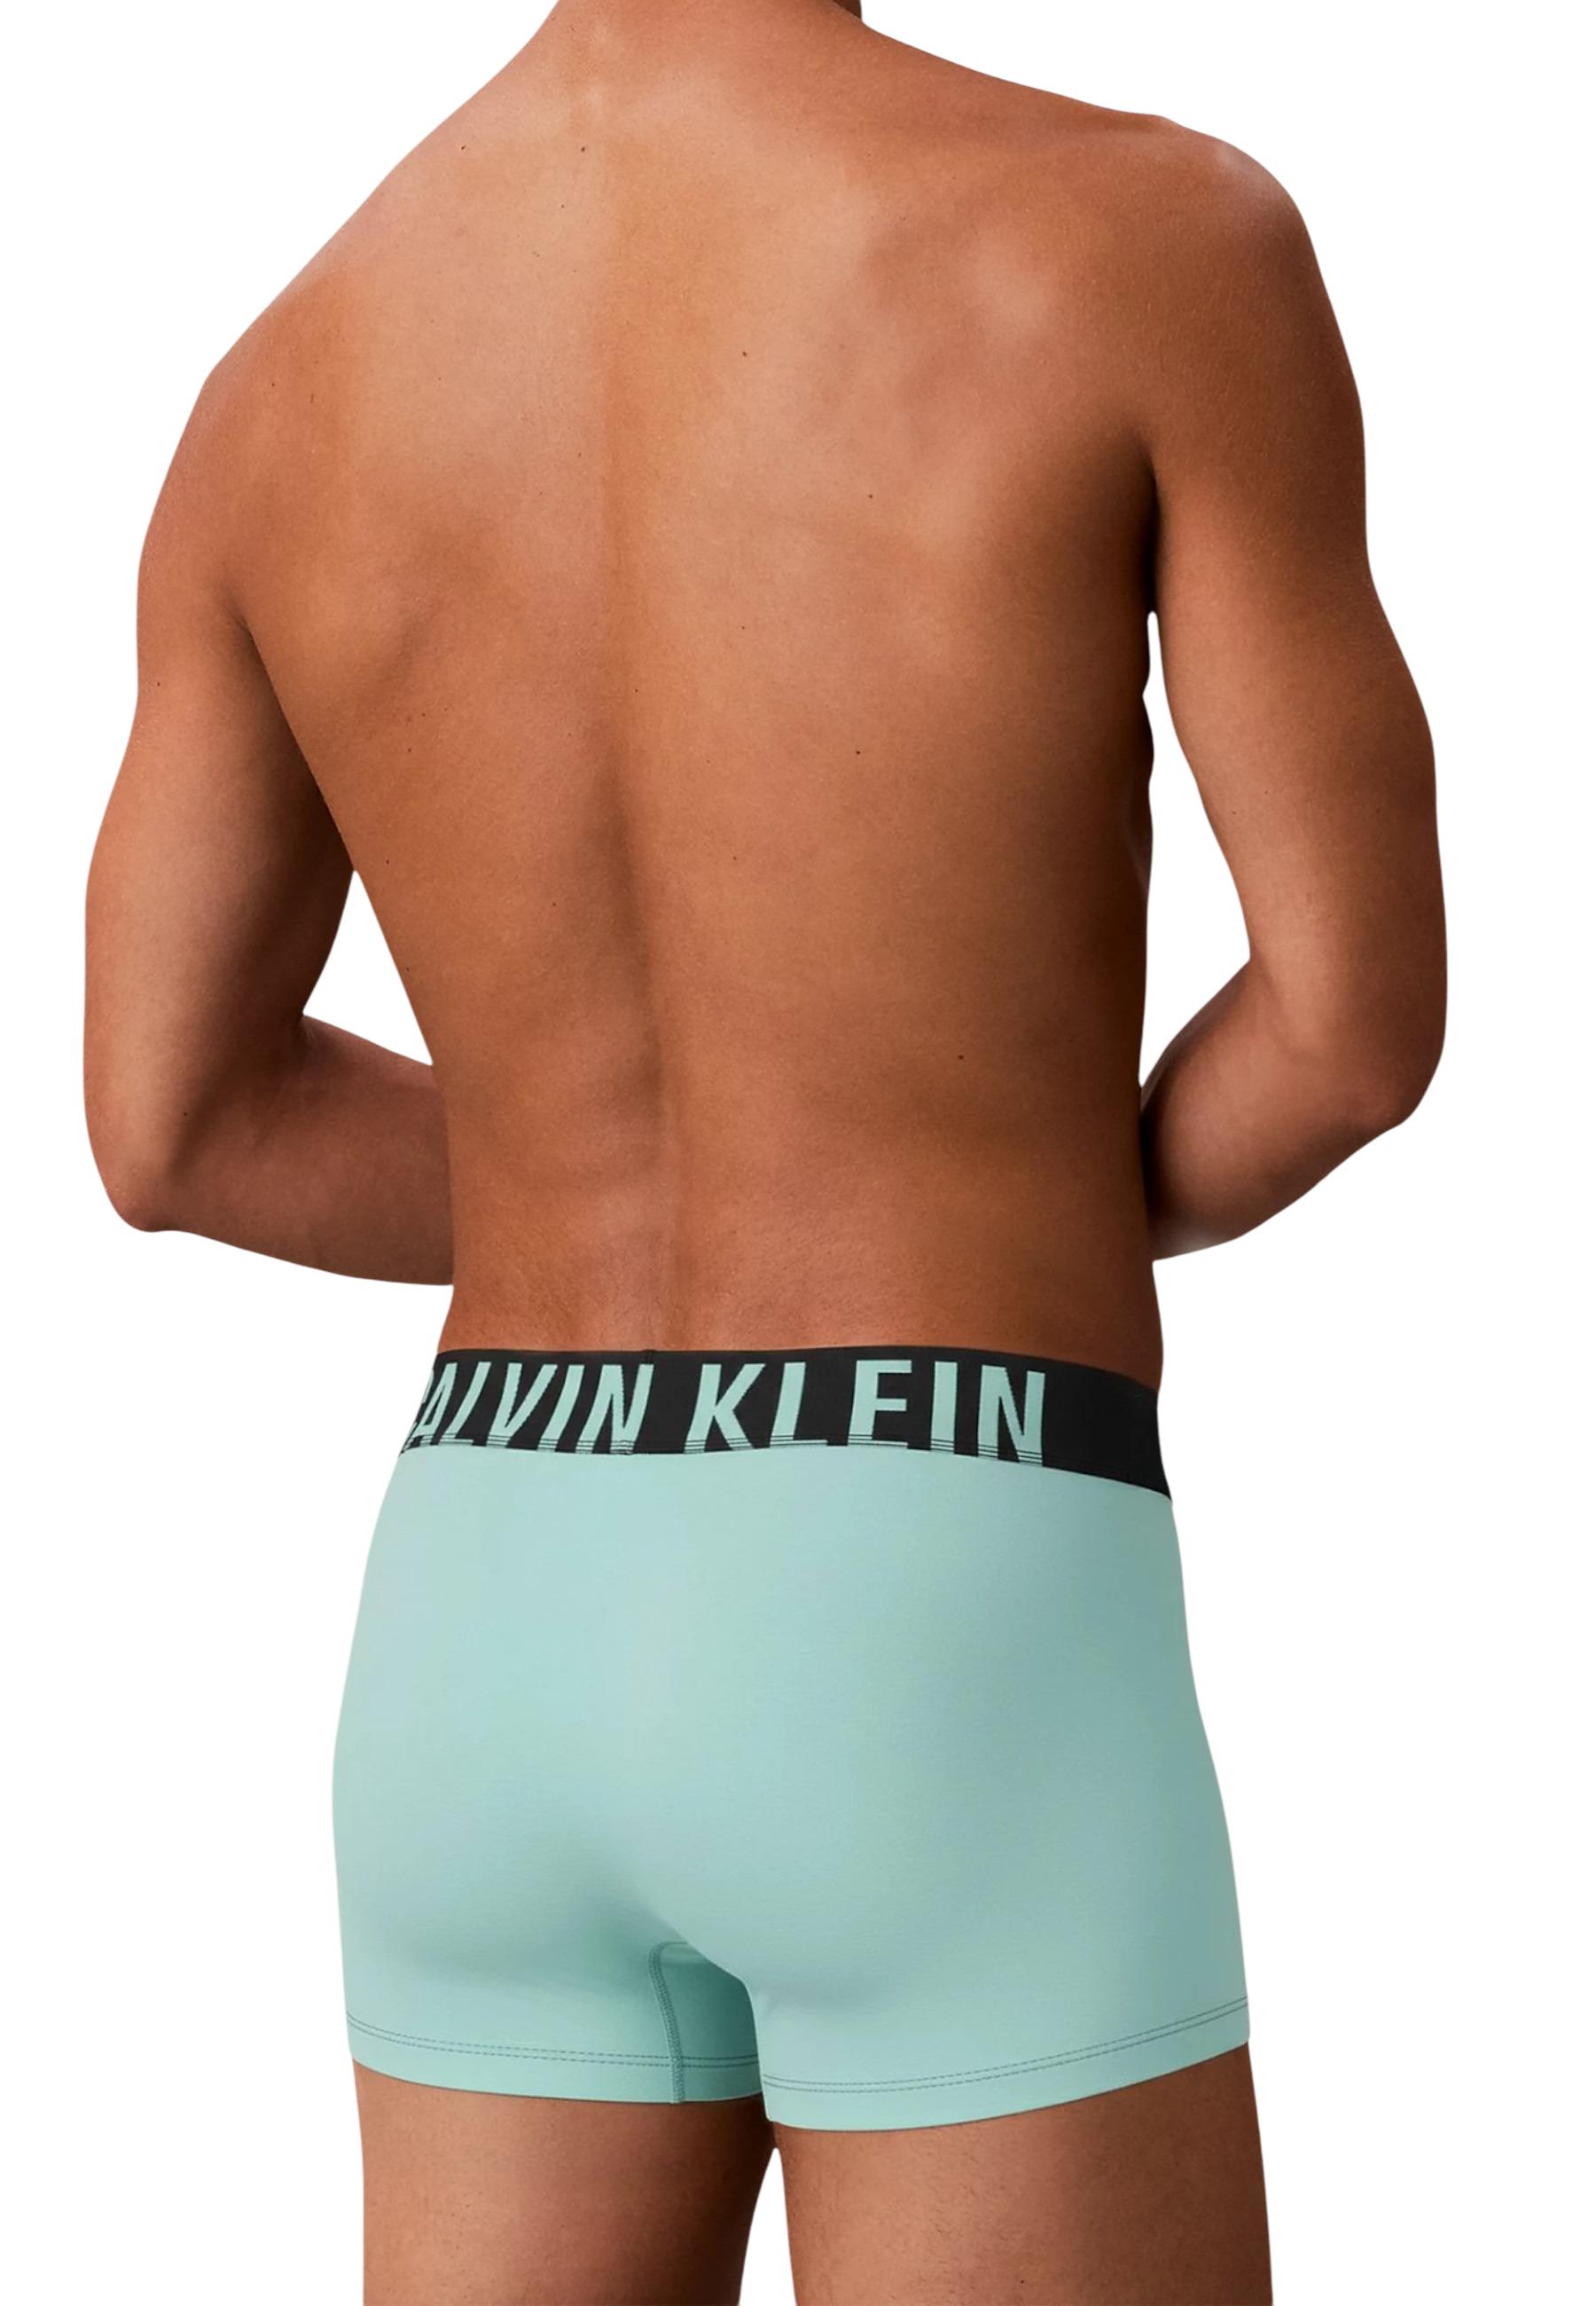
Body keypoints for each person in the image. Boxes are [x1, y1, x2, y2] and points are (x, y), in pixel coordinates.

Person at [83, 1, 1444, 2297]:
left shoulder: (288, 372)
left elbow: (171, 1123)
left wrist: (616, 1178)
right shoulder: (1146, 235)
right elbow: (1350, 1026)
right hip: (947, 1554)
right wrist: (963, 1175)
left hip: (484, 1589)